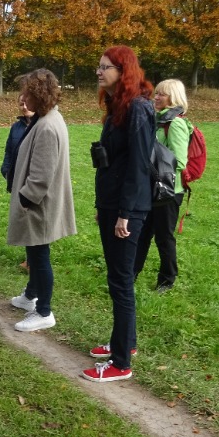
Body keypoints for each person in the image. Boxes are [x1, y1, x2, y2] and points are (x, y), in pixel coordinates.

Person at [82, 46, 155, 383]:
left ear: (123, 71)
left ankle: (121, 363)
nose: (99, 72)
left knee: (121, 281)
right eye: (99, 66)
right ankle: (126, 342)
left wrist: (124, 213)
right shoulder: (118, 107)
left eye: (106, 67)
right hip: (112, 205)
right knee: (118, 279)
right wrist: (104, 207)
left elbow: (139, 166)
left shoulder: (138, 108)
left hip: (129, 209)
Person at [7, 70, 77, 332]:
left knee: (39, 255)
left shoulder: (47, 126)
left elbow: (41, 176)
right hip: (38, 204)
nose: (22, 98)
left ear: (39, 95)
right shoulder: (46, 118)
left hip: (39, 206)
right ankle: (30, 295)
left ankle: (44, 311)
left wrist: (25, 199)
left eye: (27, 93)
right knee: (33, 250)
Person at [134, 79, 192, 293]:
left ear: (173, 98)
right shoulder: (157, 119)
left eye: (162, 94)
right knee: (142, 233)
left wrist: (153, 166)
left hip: (168, 191)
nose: (156, 97)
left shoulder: (175, 123)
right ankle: (131, 273)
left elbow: (180, 160)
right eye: (156, 93)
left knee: (163, 237)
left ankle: (167, 279)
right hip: (151, 188)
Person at [1, 94, 34, 272]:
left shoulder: (39, 126)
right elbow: (9, 151)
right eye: (21, 104)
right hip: (16, 178)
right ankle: (30, 258)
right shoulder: (16, 127)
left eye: (27, 102)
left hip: (32, 179)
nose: (24, 106)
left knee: (31, 218)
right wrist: (6, 169)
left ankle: (32, 260)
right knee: (22, 217)